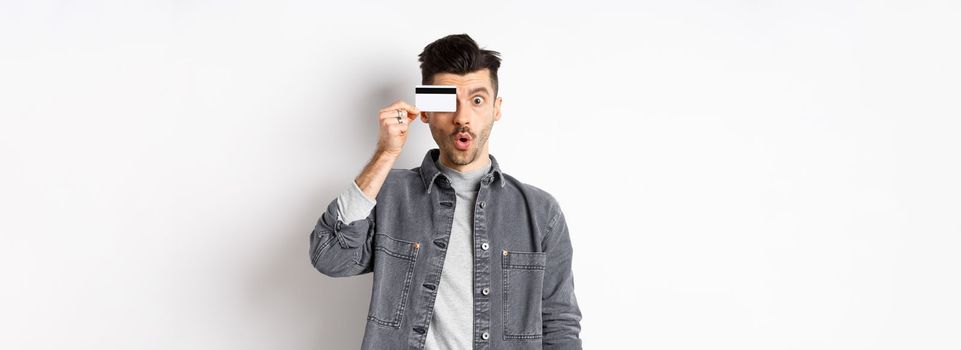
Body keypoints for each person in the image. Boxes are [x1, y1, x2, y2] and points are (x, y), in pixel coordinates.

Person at [309, 33, 582, 350]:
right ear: (424, 111)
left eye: (477, 101)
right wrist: (385, 154)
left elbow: (559, 324)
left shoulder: (540, 212)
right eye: (446, 101)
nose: (462, 118)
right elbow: (329, 257)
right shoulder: (389, 195)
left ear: (497, 108)